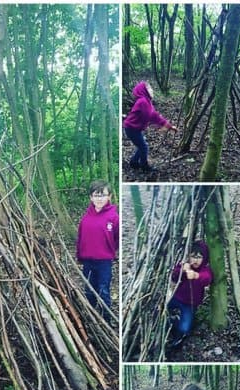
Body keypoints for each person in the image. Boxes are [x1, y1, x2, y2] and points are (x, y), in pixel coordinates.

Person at [76, 181, 119, 318]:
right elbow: (81, 238)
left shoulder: (113, 218)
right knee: (89, 290)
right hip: (88, 261)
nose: (99, 198)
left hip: (104, 262)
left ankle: (106, 318)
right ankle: (91, 317)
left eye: (103, 195)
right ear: (91, 197)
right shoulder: (86, 218)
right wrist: (80, 256)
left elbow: (117, 238)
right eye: (96, 195)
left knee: (103, 290)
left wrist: (109, 251)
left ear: (109, 197)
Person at [123, 81, 177, 173]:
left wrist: (168, 126)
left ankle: (134, 162)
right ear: (143, 90)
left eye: (151, 88)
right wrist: (162, 126)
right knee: (144, 147)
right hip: (131, 129)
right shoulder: (143, 102)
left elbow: (154, 115)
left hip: (135, 129)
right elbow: (150, 116)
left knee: (142, 146)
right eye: (148, 88)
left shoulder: (147, 102)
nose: (151, 90)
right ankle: (144, 165)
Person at [167, 240, 213, 347]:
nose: (196, 260)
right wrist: (182, 270)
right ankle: (172, 322)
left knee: (184, 329)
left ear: (204, 258)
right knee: (163, 309)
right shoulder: (184, 266)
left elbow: (207, 279)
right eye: (193, 256)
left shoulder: (204, 270)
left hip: (190, 304)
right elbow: (174, 276)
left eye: (199, 257)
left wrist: (196, 276)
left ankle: (177, 340)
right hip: (177, 298)